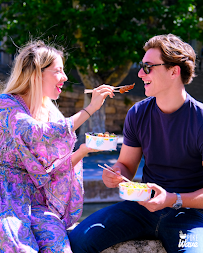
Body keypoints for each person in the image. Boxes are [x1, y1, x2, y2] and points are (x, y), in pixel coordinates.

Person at [69, 34, 203, 253]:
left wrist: (172, 199)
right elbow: (127, 167)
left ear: (173, 71)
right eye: (141, 67)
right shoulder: (137, 113)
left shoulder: (200, 119)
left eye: (148, 67)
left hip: (188, 214)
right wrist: (116, 172)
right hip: (142, 208)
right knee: (78, 241)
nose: (140, 73)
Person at [0, 40, 114, 252]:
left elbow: (52, 171)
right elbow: (38, 134)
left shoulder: (50, 112)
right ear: (37, 73)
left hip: (36, 203)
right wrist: (90, 109)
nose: (65, 77)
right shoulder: (6, 104)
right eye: (58, 71)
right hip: (6, 199)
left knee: (58, 246)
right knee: (19, 247)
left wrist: (84, 150)